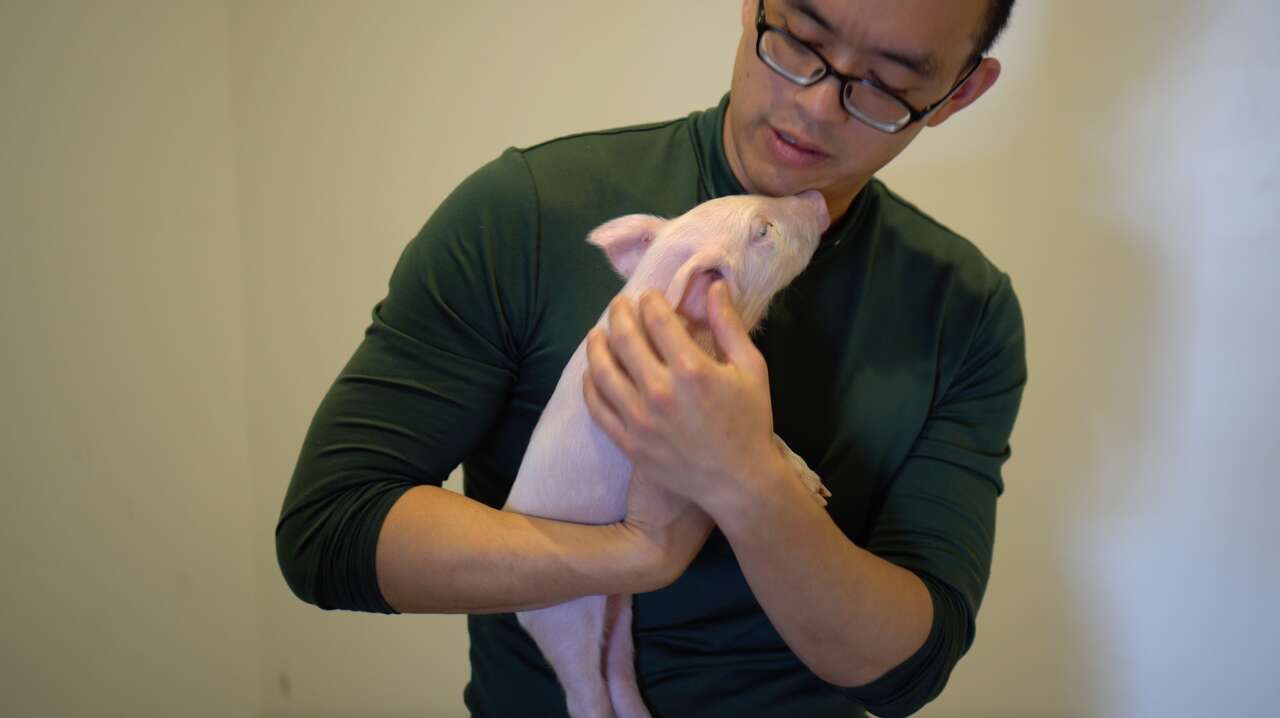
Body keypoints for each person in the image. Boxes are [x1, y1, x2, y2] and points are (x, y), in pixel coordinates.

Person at [276, 0, 1026, 716]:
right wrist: (637, 555)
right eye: (799, 40)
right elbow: (331, 531)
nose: (818, 106)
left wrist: (746, 479)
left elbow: (907, 671)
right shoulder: (529, 212)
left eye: (888, 85)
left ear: (960, 92)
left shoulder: (965, 309)